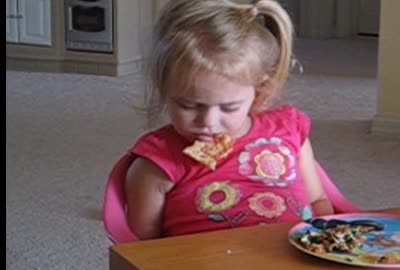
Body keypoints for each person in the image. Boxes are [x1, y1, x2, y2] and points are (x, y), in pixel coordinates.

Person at [118, 0, 334, 240]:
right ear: (164, 89)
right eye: (189, 105)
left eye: (229, 107)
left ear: (260, 90)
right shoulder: (157, 162)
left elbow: (318, 200)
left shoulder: (288, 130)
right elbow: (142, 248)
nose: (208, 121)